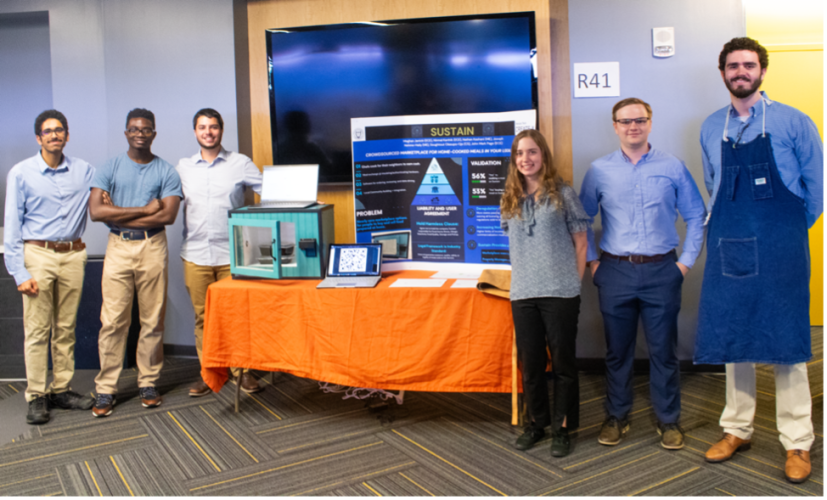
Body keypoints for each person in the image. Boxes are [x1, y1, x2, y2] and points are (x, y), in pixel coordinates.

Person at [696, 37, 824, 484]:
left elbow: (816, 188)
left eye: (749, 65)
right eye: (733, 66)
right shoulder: (712, 127)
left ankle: (797, 440)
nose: (741, 72)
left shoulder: (794, 122)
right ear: (723, 73)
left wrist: (785, 231)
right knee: (735, 337)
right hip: (730, 242)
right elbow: (714, 185)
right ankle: (737, 429)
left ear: (763, 71)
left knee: (787, 342)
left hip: (781, 245)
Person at [580, 98, 706, 451]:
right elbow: (582, 220)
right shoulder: (599, 170)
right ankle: (616, 416)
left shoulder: (673, 166)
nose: (632, 126)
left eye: (639, 120)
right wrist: (593, 263)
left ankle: (668, 420)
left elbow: (697, 215)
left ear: (650, 123)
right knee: (617, 351)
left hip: (662, 271)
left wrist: (686, 263)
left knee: (663, 351)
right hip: (615, 271)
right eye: (625, 121)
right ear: (615, 126)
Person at [501, 129, 590, 458]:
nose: (526, 159)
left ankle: (563, 428)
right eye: (520, 154)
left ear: (543, 155)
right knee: (532, 365)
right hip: (523, 293)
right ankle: (536, 424)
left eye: (532, 152)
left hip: (561, 293)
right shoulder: (509, 196)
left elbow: (581, 243)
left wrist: (573, 284)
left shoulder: (563, 193)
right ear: (515, 160)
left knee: (564, 365)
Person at [88, 108, 183, 417]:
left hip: (153, 246)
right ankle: (106, 389)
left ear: (154, 133)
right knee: (113, 321)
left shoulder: (166, 171)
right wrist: (144, 209)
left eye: (146, 129)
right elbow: (97, 213)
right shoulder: (109, 167)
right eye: (134, 129)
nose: (140, 134)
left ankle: (148, 382)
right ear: (126, 132)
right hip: (118, 245)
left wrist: (119, 210)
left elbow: (167, 215)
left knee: (152, 319)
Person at [3, 110, 96, 425]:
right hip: (37, 255)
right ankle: (37, 395)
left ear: (67, 135)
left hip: (72, 254)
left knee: (65, 328)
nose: (54, 135)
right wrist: (19, 272)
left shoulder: (84, 171)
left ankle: (61, 389)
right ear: (38, 138)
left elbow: (107, 196)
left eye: (59, 130)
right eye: (47, 131)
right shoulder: (21, 172)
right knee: (38, 329)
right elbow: (12, 226)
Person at [176, 108, 263, 397]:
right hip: (195, 254)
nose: (208, 132)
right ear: (195, 132)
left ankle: (242, 373)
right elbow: (162, 197)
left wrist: (308, 200)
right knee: (203, 318)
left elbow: (271, 189)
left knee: (237, 316)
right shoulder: (183, 167)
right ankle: (209, 372)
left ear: (221, 130)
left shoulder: (240, 163)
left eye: (213, 127)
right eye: (202, 127)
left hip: (234, 255)